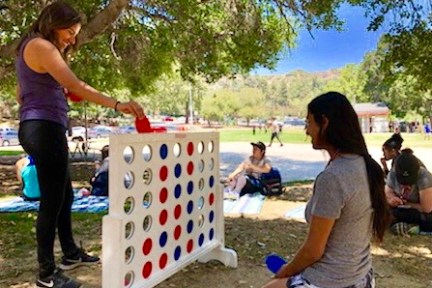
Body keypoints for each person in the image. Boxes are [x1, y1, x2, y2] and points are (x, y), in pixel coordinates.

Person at [15, 2, 145, 287]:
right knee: (52, 201)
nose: (72, 39)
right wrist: (117, 104)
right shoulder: (42, 46)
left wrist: (54, 93)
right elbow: (77, 85)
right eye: (69, 32)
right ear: (53, 24)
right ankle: (47, 274)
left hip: (43, 126)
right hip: (43, 128)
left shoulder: (35, 47)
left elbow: (21, 92)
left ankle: (70, 253)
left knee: (65, 195)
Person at [262, 92, 391, 288]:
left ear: (325, 122)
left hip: (333, 281)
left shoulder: (334, 177)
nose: (306, 131)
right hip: (361, 277)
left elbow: (313, 251)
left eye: (308, 123)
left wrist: (283, 273)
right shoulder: (365, 164)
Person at [385, 149, 432, 235]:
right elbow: (387, 193)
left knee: (427, 220)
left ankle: (408, 226)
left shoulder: (424, 176)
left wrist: (405, 204)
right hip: (399, 209)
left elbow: (427, 208)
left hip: (420, 212)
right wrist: (391, 199)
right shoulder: (392, 173)